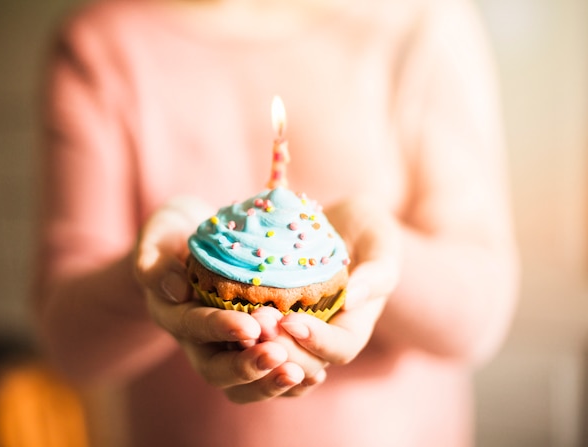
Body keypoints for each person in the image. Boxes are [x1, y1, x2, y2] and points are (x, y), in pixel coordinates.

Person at [32, 0, 519, 445]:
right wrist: (153, 276)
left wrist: (377, 261)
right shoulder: (100, 44)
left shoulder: (421, 20)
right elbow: (69, 348)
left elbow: (482, 313)